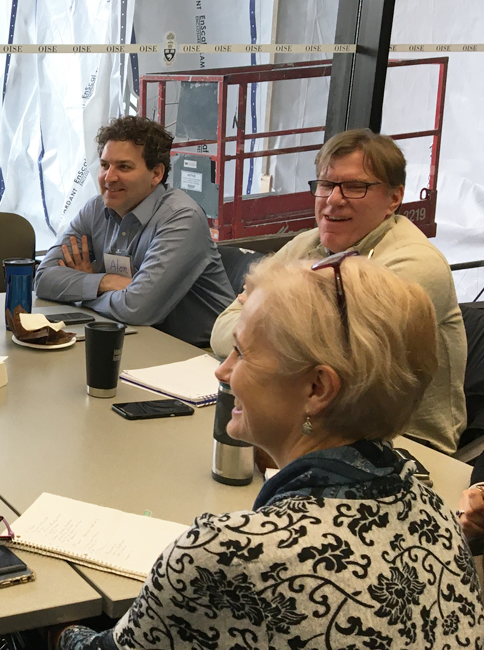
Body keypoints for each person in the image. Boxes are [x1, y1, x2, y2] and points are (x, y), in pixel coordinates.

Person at [55, 254, 483, 649]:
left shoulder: (225, 553)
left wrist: (58, 629)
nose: (223, 371)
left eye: (242, 352)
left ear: (317, 388)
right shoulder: (438, 516)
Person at [210, 129, 467, 455]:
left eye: (355, 187)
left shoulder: (414, 265)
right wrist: (270, 335)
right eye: (327, 185)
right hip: (312, 425)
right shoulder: (309, 244)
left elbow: (335, 367)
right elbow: (225, 329)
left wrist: (265, 324)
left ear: (394, 198)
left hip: (404, 446)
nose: (333, 199)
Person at [34, 116, 234, 346]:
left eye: (124, 167)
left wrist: (79, 291)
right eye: (104, 165)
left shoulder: (181, 217)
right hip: (139, 339)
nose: (109, 177)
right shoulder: (95, 209)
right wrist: (104, 282)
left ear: (156, 174)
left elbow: (136, 308)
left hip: (201, 354)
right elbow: (43, 279)